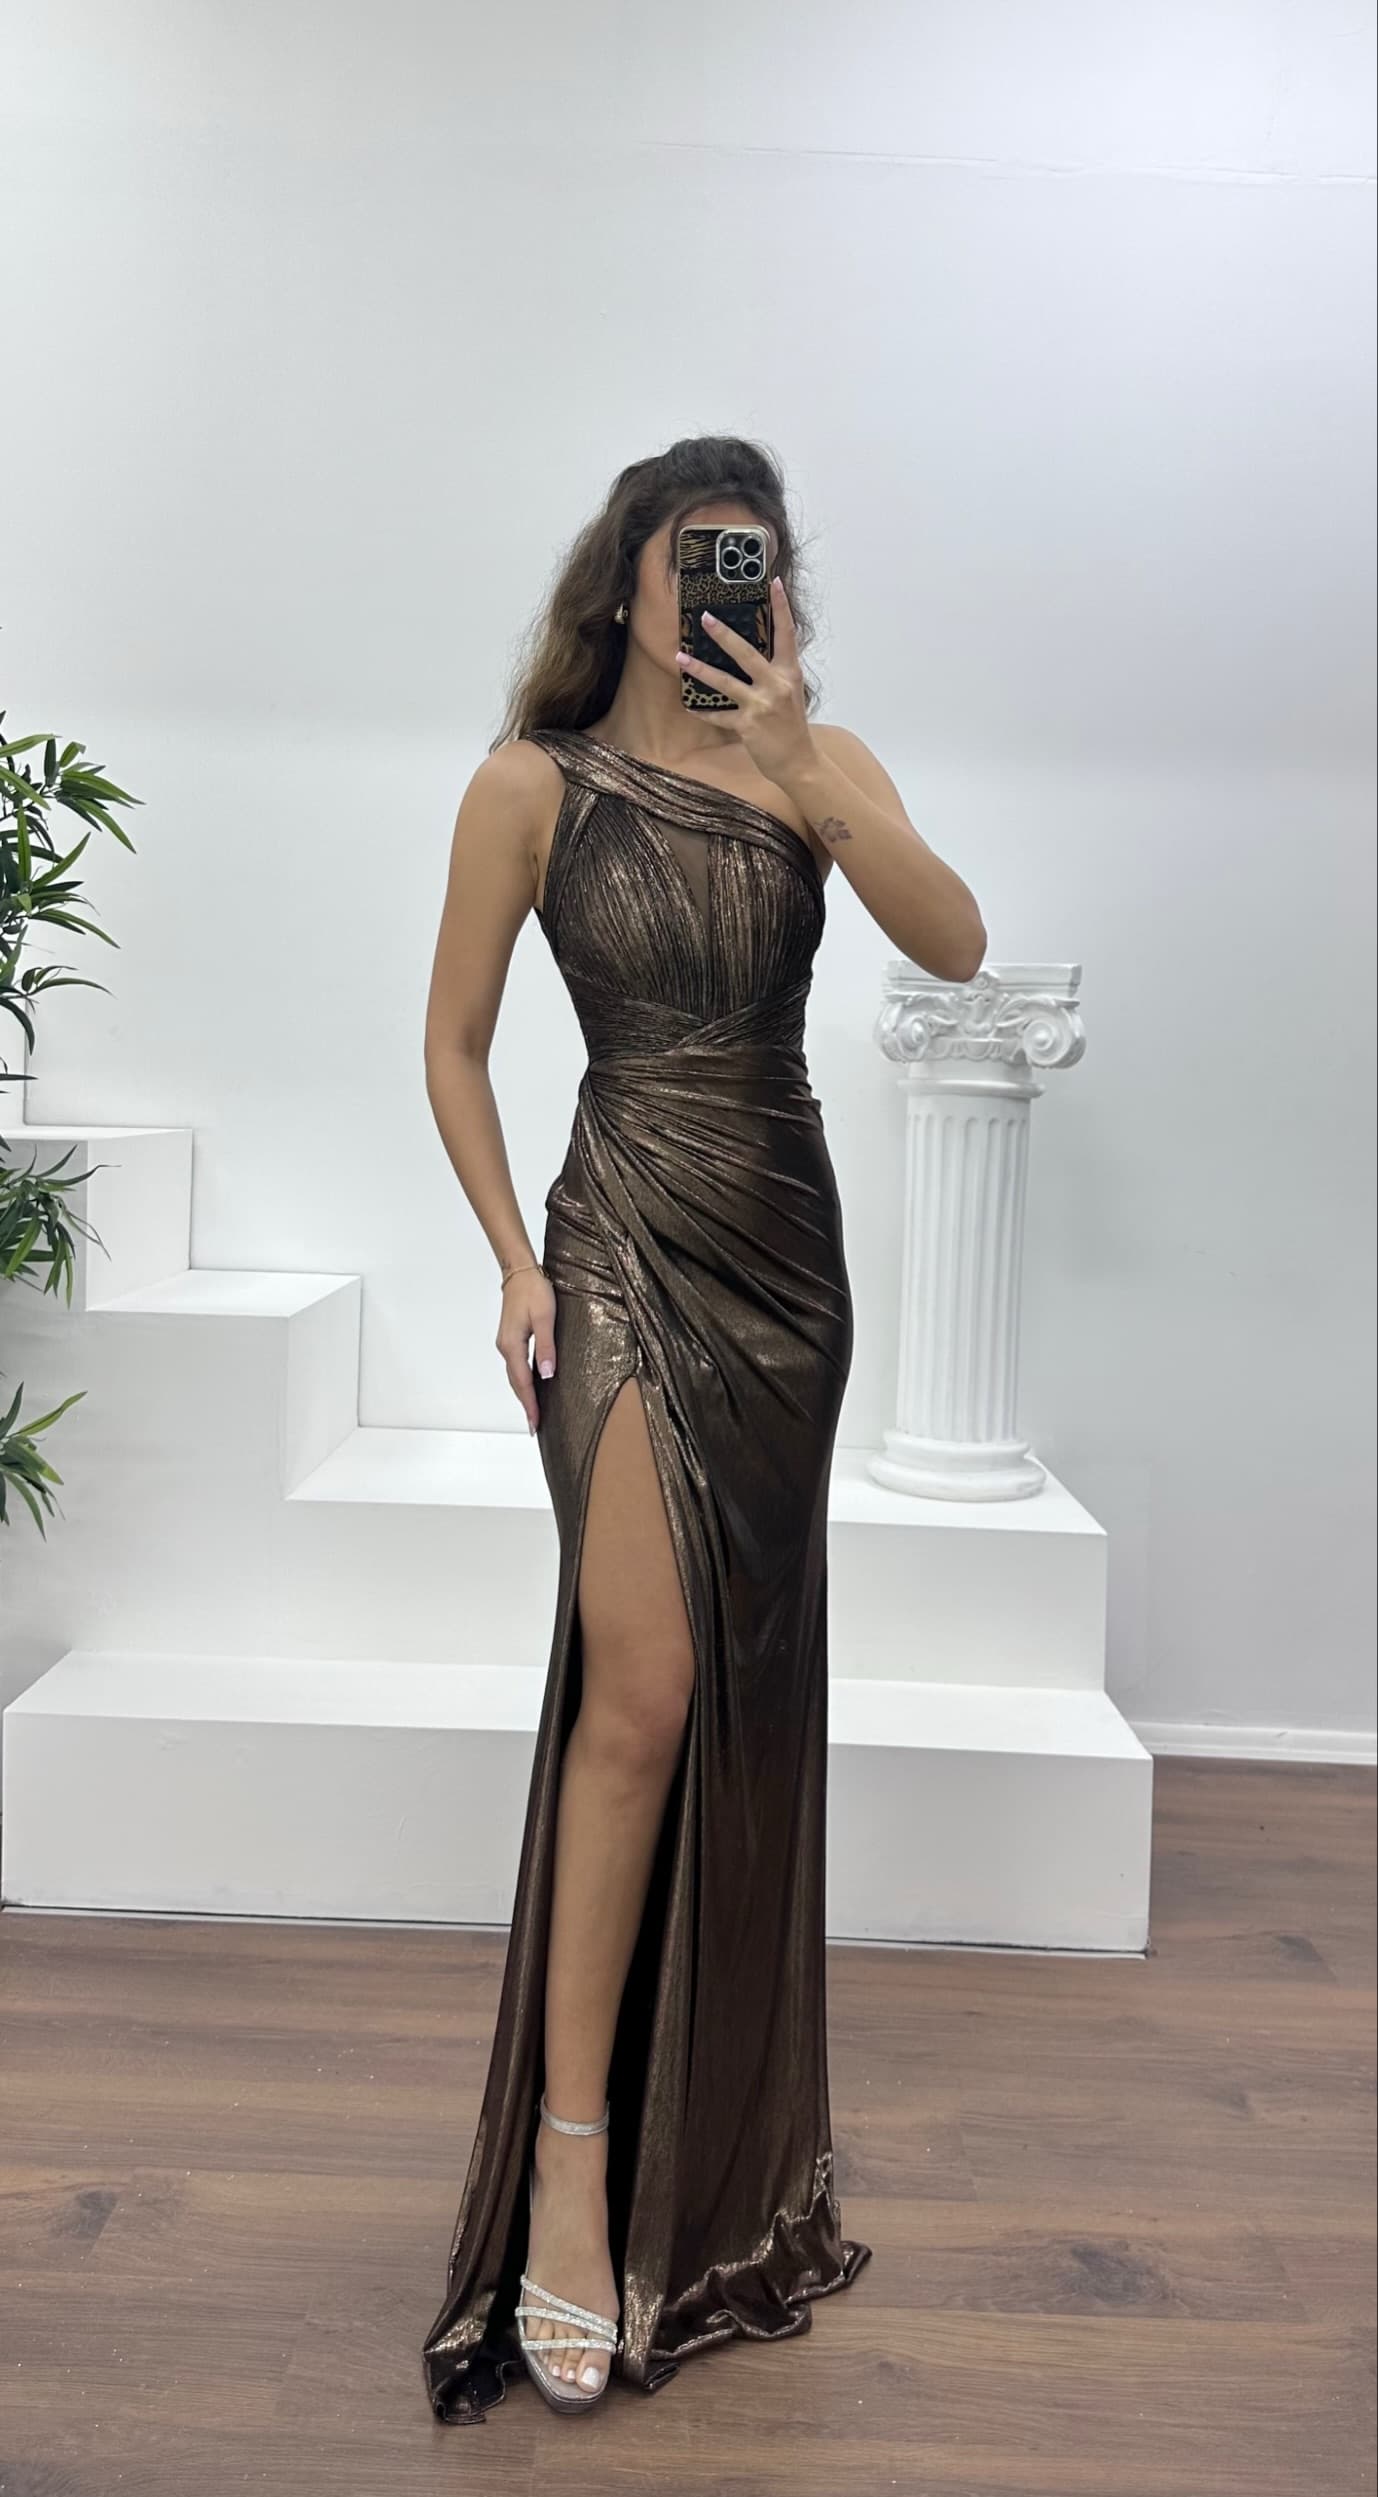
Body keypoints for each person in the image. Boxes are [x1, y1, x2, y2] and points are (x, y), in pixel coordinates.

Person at [419, 435, 987, 2423]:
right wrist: (513, 1259)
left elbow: (954, 941)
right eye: (694, 561)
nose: (723, 594)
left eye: (754, 563)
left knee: (735, 1694)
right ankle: (572, 2163)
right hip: (614, 1243)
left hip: (782, 1263)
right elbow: (452, 1043)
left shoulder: (815, 769)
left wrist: (809, 758)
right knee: (642, 1685)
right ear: (627, 581)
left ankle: (711, 2138)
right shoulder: (530, 785)